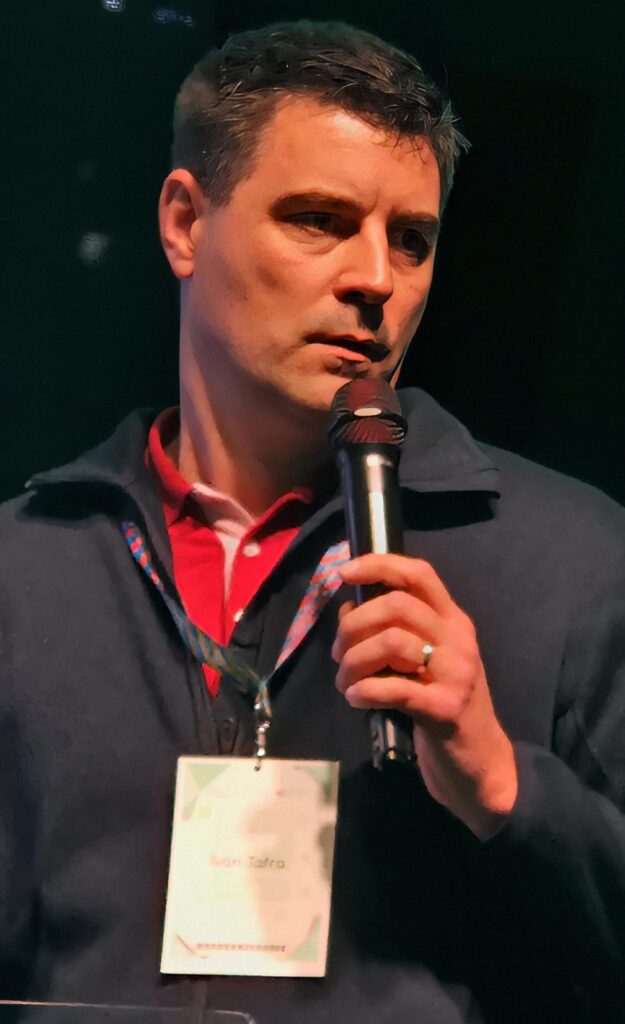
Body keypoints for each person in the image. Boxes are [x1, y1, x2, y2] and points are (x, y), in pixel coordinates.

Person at [1, 18, 625, 1024]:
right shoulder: (25, 565)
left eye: (411, 239)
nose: (376, 278)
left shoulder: (573, 560)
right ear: (184, 224)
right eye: (321, 220)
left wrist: (506, 785)